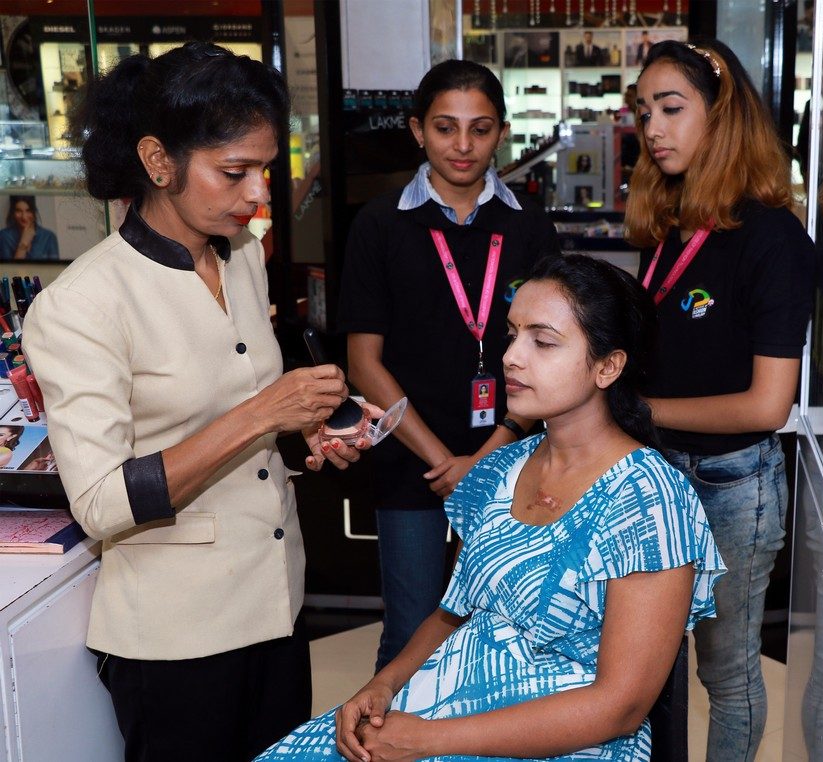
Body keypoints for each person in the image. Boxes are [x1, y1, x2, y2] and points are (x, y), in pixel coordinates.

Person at [21, 42, 371, 762]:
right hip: (176, 641)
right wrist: (263, 415)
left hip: (274, 604)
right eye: (234, 173)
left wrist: (303, 429)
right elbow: (102, 502)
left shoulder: (241, 256)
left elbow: (238, 405)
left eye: (264, 171)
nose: (257, 197)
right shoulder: (82, 305)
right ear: (158, 161)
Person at [258, 254, 724, 762]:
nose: (511, 357)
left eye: (542, 342)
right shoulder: (501, 470)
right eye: (512, 333)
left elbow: (620, 706)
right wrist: (383, 686)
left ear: (608, 366)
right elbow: (452, 614)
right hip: (445, 702)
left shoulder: (649, 497)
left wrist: (426, 740)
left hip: (564, 739)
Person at [338, 59, 561, 673]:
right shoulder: (380, 225)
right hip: (411, 458)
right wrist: (443, 462)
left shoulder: (529, 227)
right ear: (417, 130)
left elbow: (551, 357)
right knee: (411, 630)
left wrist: (483, 460)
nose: (462, 146)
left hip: (510, 456)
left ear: (502, 132)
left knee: (501, 628)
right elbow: (364, 362)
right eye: (444, 128)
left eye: (480, 129)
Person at [627, 40, 815, 761]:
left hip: (733, 486)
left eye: (672, 108)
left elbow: (768, 406)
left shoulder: (772, 238)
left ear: (723, 115)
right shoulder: (675, 221)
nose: (654, 128)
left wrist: (641, 412)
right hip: (660, 474)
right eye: (645, 112)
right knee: (649, 666)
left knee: (727, 674)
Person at [0, 196, 59, 260]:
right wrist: (23, 244)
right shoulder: (4, 236)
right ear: (13, 212)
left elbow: (55, 269)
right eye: (18, 211)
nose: (24, 217)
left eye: (28, 211)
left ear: (33, 211)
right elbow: (9, 269)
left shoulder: (49, 236)